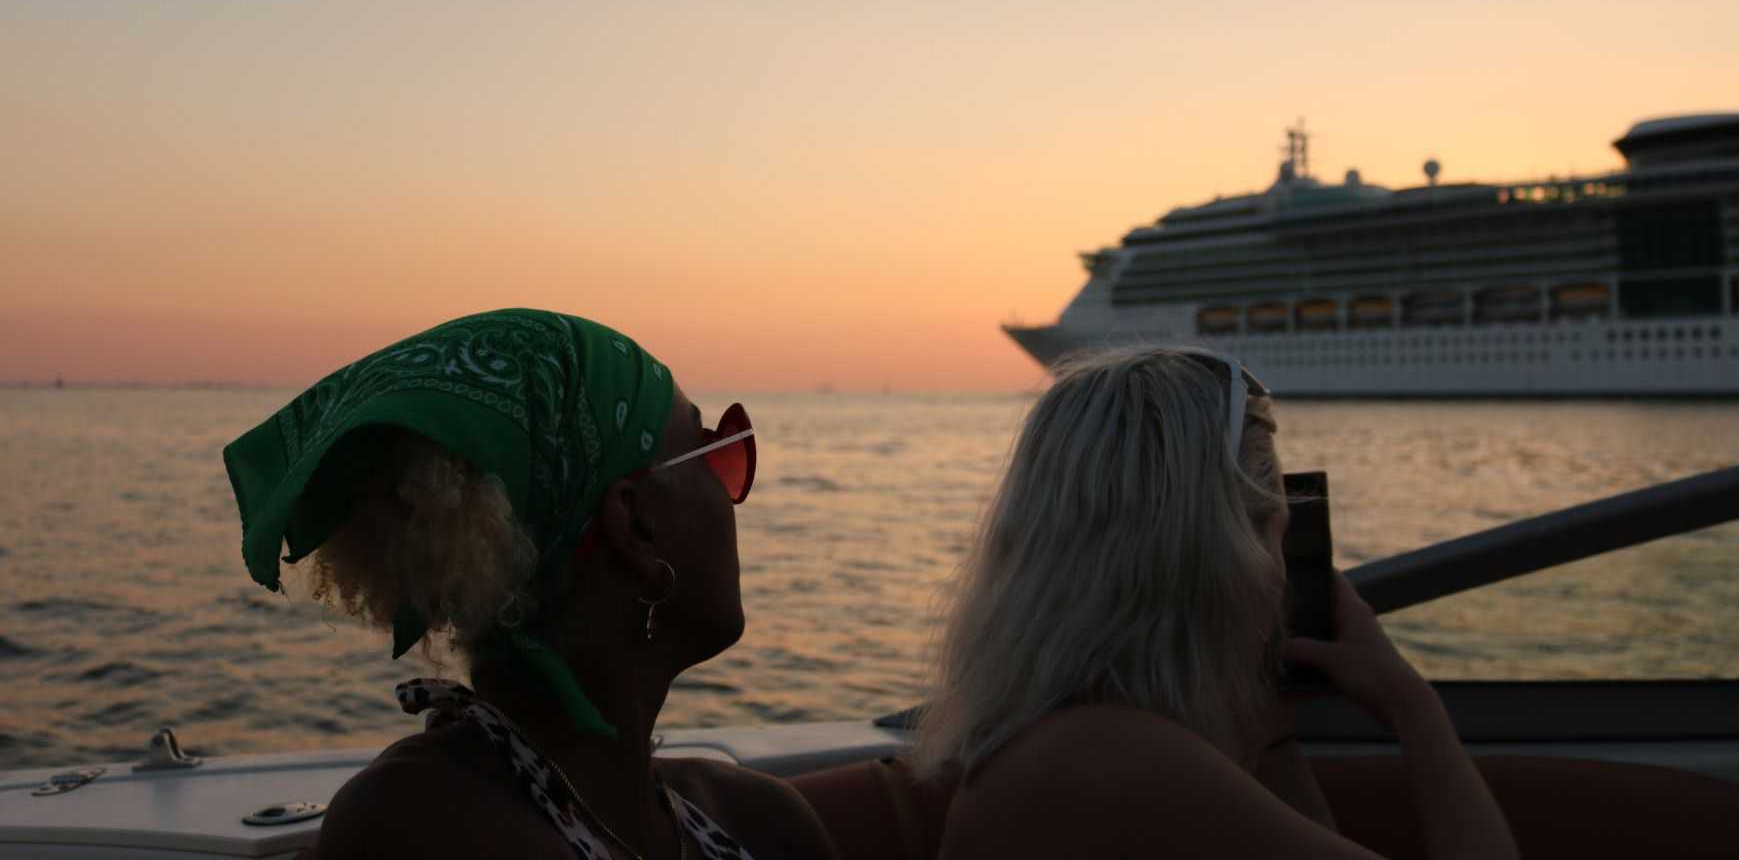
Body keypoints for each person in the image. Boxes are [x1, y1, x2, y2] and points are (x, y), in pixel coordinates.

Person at [224, 308, 837, 860]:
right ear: (636, 525)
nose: (735, 489)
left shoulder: (759, 815)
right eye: (713, 451)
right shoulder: (417, 829)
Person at [915, 347, 1519, 859]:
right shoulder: (1117, 758)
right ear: (1229, 550)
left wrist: (1264, 713)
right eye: (1278, 532)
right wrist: (1413, 705)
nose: (1283, 576)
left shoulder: (1064, 737)